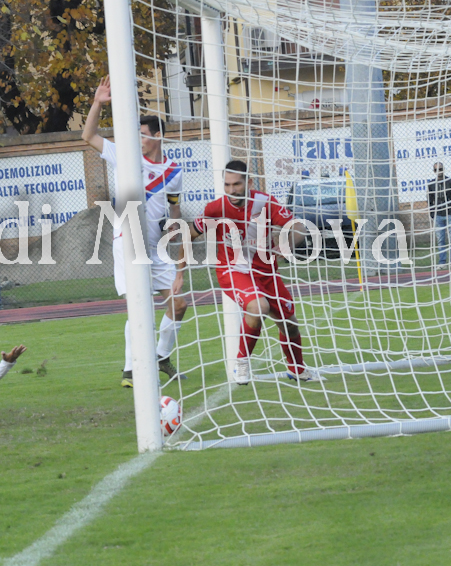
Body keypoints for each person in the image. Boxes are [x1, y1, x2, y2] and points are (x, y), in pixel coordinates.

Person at [81, 76, 188, 388]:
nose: (138, 139)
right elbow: (88, 135)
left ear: (158, 136)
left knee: (179, 305)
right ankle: (130, 370)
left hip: (155, 248)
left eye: (143, 135)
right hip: (127, 242)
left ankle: (160, 356)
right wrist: (98, 103)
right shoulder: (125, 156)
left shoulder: (174, 171)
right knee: (140, 307)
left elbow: (175, 207)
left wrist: (175, 228)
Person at [181, 160, 319, 384]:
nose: (232, 190)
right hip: (232, 271)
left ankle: (297, 368)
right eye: (227, 185)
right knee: (258, 307)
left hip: (266, 274)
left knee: (290, 324)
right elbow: (189, 234)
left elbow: (299, 227)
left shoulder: (265, 203)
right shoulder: (215, 209)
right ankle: (242, 363)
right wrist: (179, 273)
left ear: (249, 183)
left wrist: (286, 245)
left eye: (236, 184)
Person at [427, 162, 451, 268]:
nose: (439, 172)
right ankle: (442, 262)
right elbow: (430, 200)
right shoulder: (431, 184)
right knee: (440, 239)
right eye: (436, 170)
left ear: (443, 169)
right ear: (434, 171)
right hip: (438, 215)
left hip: (449, 214)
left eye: (440, 169)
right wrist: (432, 213)